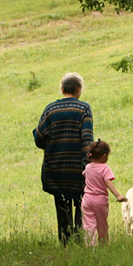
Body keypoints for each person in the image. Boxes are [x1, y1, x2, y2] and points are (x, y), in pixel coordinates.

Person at [33, 72, 94, 246]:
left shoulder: (50, 109)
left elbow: (38, 138)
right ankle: (80, 240)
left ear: (62, 89)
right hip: (77, 169)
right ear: (79, 89)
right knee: (81, 206)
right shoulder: (84, 109)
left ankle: (65, 243)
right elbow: (87, 139)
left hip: (56, 168)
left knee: (62, 206)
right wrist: (87, 166)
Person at [81, 139, 126, 246]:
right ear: (104, 156)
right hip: (100, 200)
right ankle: (103, 244)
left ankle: (90, 246)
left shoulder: (87, 167)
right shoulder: (105, 168)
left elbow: (85, 174)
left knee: (88, 224)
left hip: (87, 199)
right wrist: (118, 195)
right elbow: (108, 182)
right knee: (102, 224)